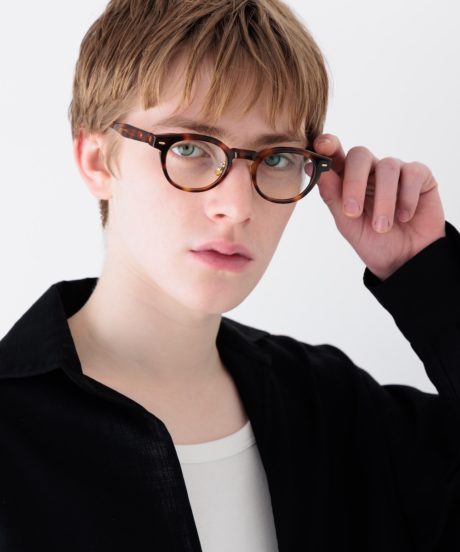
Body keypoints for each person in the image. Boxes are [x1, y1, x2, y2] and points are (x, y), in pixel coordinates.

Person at [0, 0, 459, 550]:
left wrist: (426, 273)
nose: (238, 206)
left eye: (277, 158)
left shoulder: (333, 410)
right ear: (97, 161)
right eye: (189, 147)